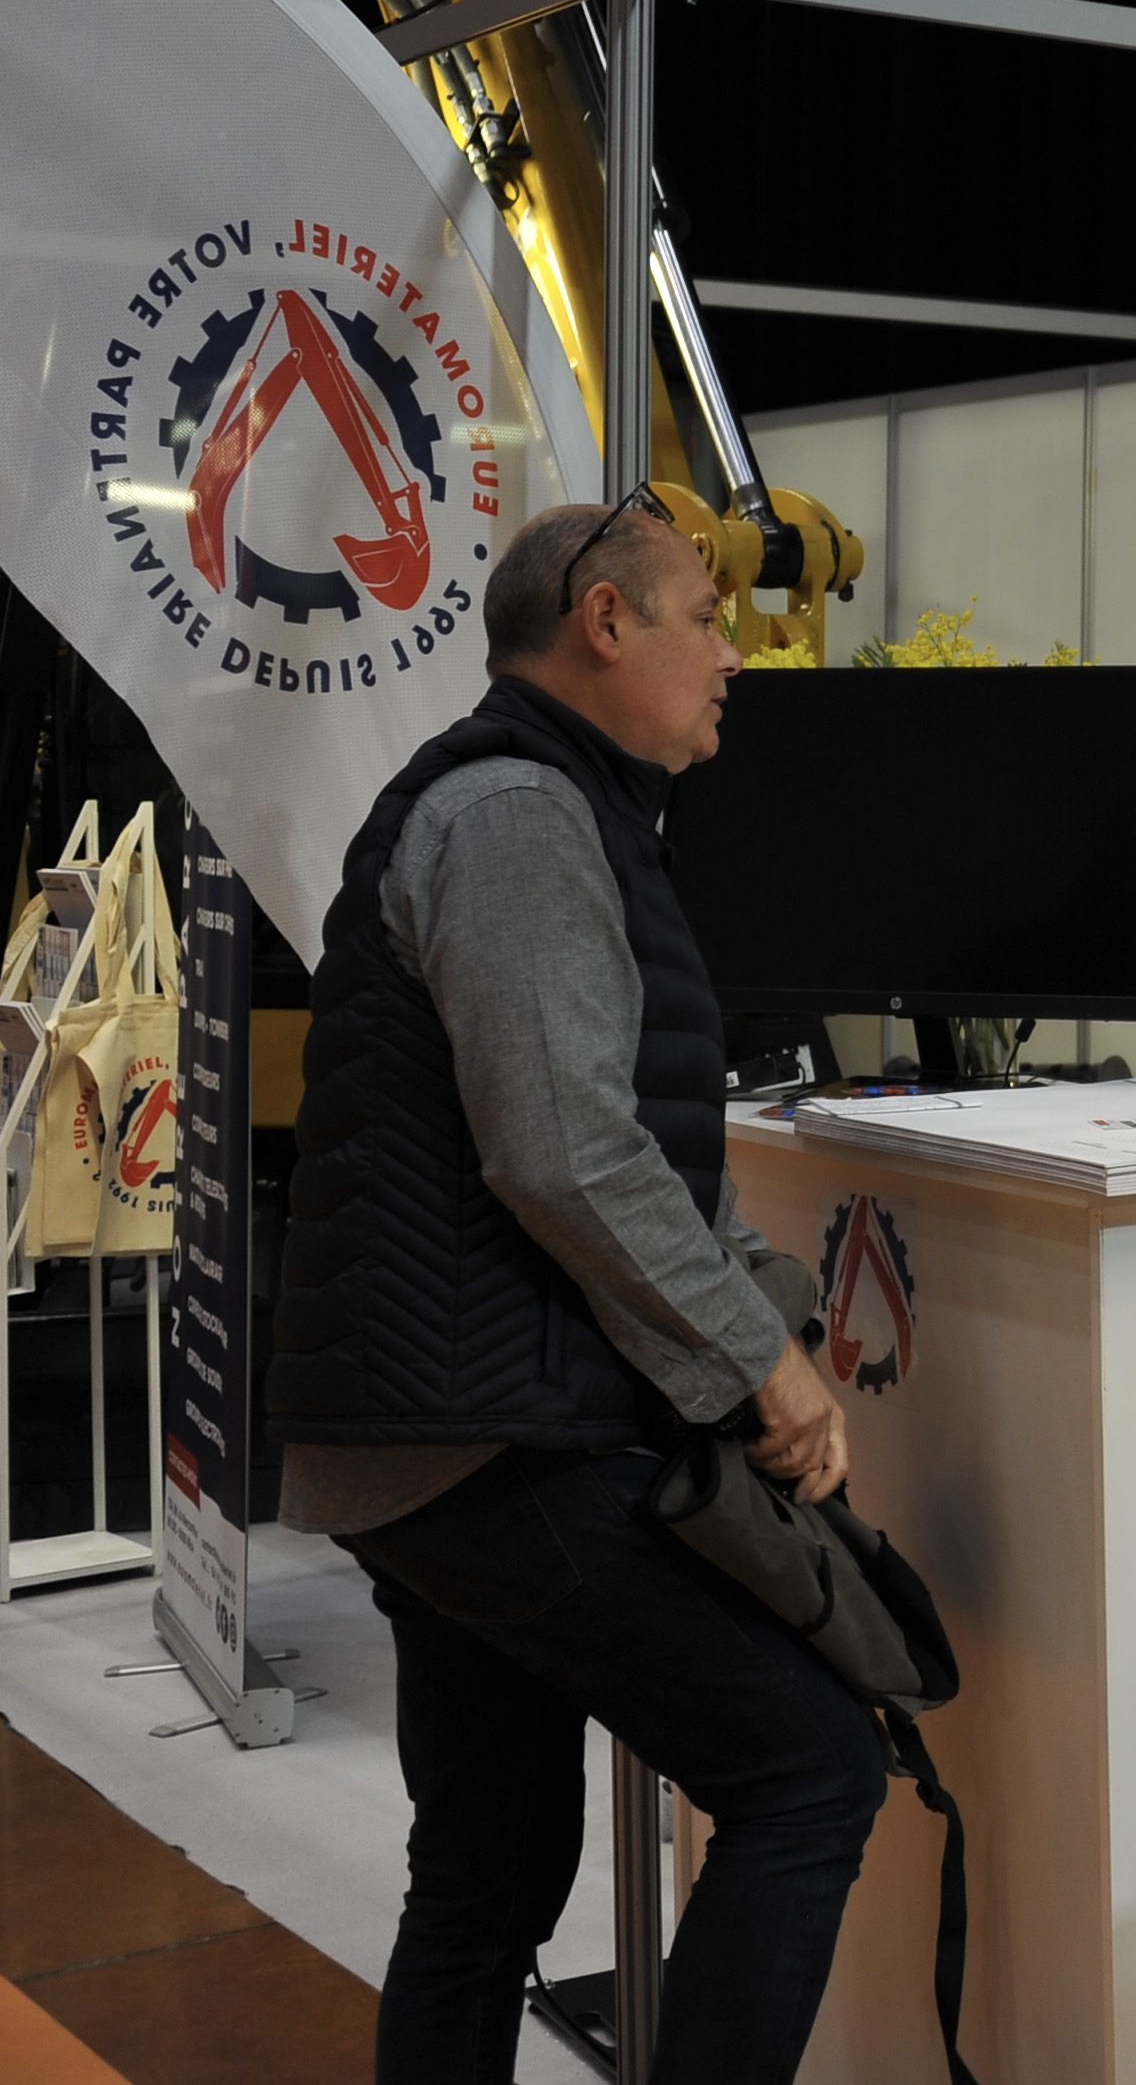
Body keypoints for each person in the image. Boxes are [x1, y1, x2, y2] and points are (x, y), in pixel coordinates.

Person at [268, 494, 883, 2085]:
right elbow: (563, 1155)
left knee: (487, 1872)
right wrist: (762, 1359)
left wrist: (751, 1297)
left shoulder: (552, 807)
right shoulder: (521, 815)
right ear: (605, 623)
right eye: (708, 621)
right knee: (811, 1772)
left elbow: (610, 1142)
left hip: (438, 1425)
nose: (734, 655)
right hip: (492, 1436)